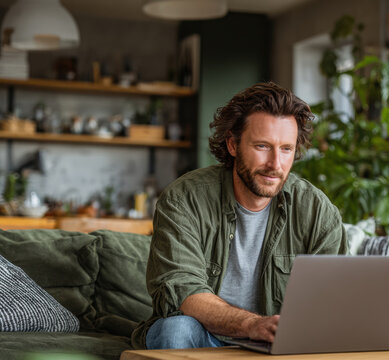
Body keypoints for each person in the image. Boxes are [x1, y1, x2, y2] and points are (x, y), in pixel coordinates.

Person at [131, 82, 348, 350]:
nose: (275, 164)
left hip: (276, 344)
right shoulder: (184, 198)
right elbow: (184, 291)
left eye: (286, 149)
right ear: (233, 145)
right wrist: (251, 325)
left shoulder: (316, 210)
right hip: (205, 334)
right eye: (262, 146)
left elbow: (333, 299)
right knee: (176, 330)